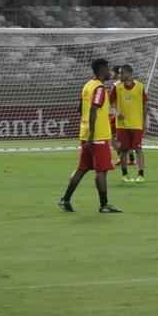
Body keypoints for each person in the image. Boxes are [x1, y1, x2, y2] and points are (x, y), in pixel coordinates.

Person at [58, 59, 122, 213]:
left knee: (82, 168)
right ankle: (104, 205)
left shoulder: (87, 85)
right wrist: (93, 134)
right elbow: (93, 109)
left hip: (86, 134)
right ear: (102, 70)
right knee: (101, 171)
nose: (109, 72)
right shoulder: (99, 88)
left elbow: (80, 108)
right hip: (97, 136)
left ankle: (65, 200)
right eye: (107, 68)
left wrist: (87, 130)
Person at [113, 65, 147, 182]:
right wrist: (116, 112)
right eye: (119, 73)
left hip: (136, 124)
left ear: (129, 73)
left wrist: (144, 122)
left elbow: (145, 105)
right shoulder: (116, 87)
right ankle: (125, 174)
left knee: (138, 149)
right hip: (121, 125)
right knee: (123, 150)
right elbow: (109, 103)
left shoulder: (140, 86)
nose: (119, 75)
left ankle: (141, 175)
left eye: (121, 73)